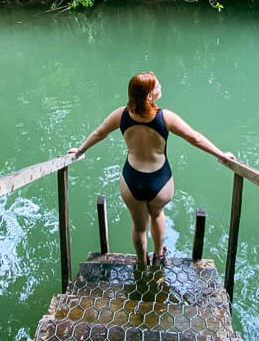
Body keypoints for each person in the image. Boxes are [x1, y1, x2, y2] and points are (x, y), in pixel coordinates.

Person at [68, 71, 234, 266]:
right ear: (149, 95)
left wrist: (79, 151)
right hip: (160, 181)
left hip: (132, 180)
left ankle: (141, 262)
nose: (161, 88)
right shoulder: (165, 117)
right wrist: (220, 154)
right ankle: (159, 256)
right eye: (157, 86)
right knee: (156, 214)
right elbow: (195, 138)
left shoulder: (121, 115)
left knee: (138, 228)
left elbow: (99, 133)